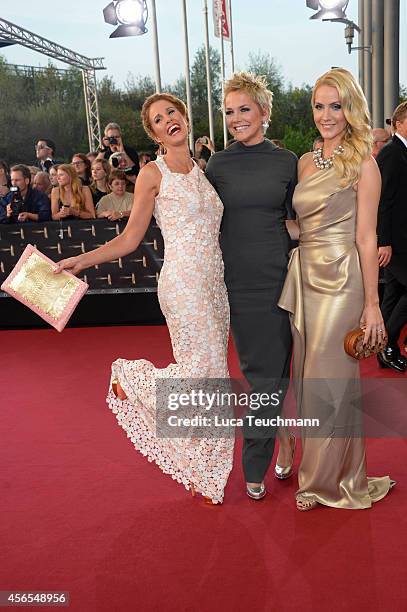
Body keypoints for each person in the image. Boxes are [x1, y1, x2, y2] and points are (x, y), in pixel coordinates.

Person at [55, 93, 234, 504]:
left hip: (214, 287)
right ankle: (133, 380)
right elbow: (130, 238)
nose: (169, 120)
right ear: (153, 133)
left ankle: (202, 473)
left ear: (185, 117)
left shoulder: (202, 170)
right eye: (158, 119)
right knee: (203, 377)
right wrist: (83, 260)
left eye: (172, 112)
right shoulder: (153, 174)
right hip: (184, 285)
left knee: (209, 380)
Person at [278, 68, 394, 510]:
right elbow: (299, 224)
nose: (326, 115)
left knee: (329, 380)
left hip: (342, 279)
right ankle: (343, 473)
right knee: (307, 382)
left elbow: (366, 237)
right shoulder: (306, 161)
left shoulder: (365, 163)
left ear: (350, 108)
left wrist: (372, 304)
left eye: (336, 105)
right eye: (319, 105)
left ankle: (320, 484)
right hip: (304, 275)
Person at [205, 72, 297, 501]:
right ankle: (259, 458)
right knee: (263, 375)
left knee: (282, 373)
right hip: (240, 284)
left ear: (264, 111)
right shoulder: (218, 165)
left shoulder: (287, 162)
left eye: (244, 109)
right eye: (229, 111)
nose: (236, 118)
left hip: (285, 278)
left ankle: (285, 444)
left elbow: (301, 220)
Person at [376, 101, 407, 373]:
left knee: (393, 294)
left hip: (402, 241)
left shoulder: (402, 152)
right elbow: (382, 200)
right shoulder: (391, 153)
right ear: (398, 123)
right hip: (394, 244)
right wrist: (382, 241)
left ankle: (385, 350)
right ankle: (387, 345)